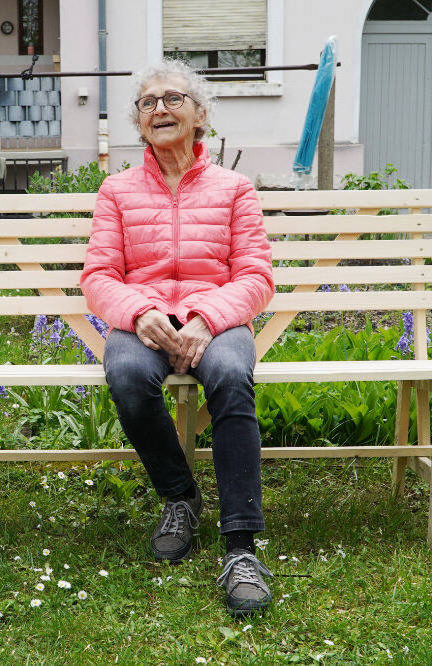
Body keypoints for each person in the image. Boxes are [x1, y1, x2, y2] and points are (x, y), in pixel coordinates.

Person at [80, 59, 275, 616]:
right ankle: (180, 498)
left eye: (173, 99)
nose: (160, 109)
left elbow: (257, 276)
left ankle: (240, 547)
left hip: (214, 322)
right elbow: (97, 275)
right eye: (148, 103)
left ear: (200, 114)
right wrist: (138, 311)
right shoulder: (117, 191)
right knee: (125, 374)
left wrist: (208, 318)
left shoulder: (234, 189)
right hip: (144, 324)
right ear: (138, 121)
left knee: (233, 375)